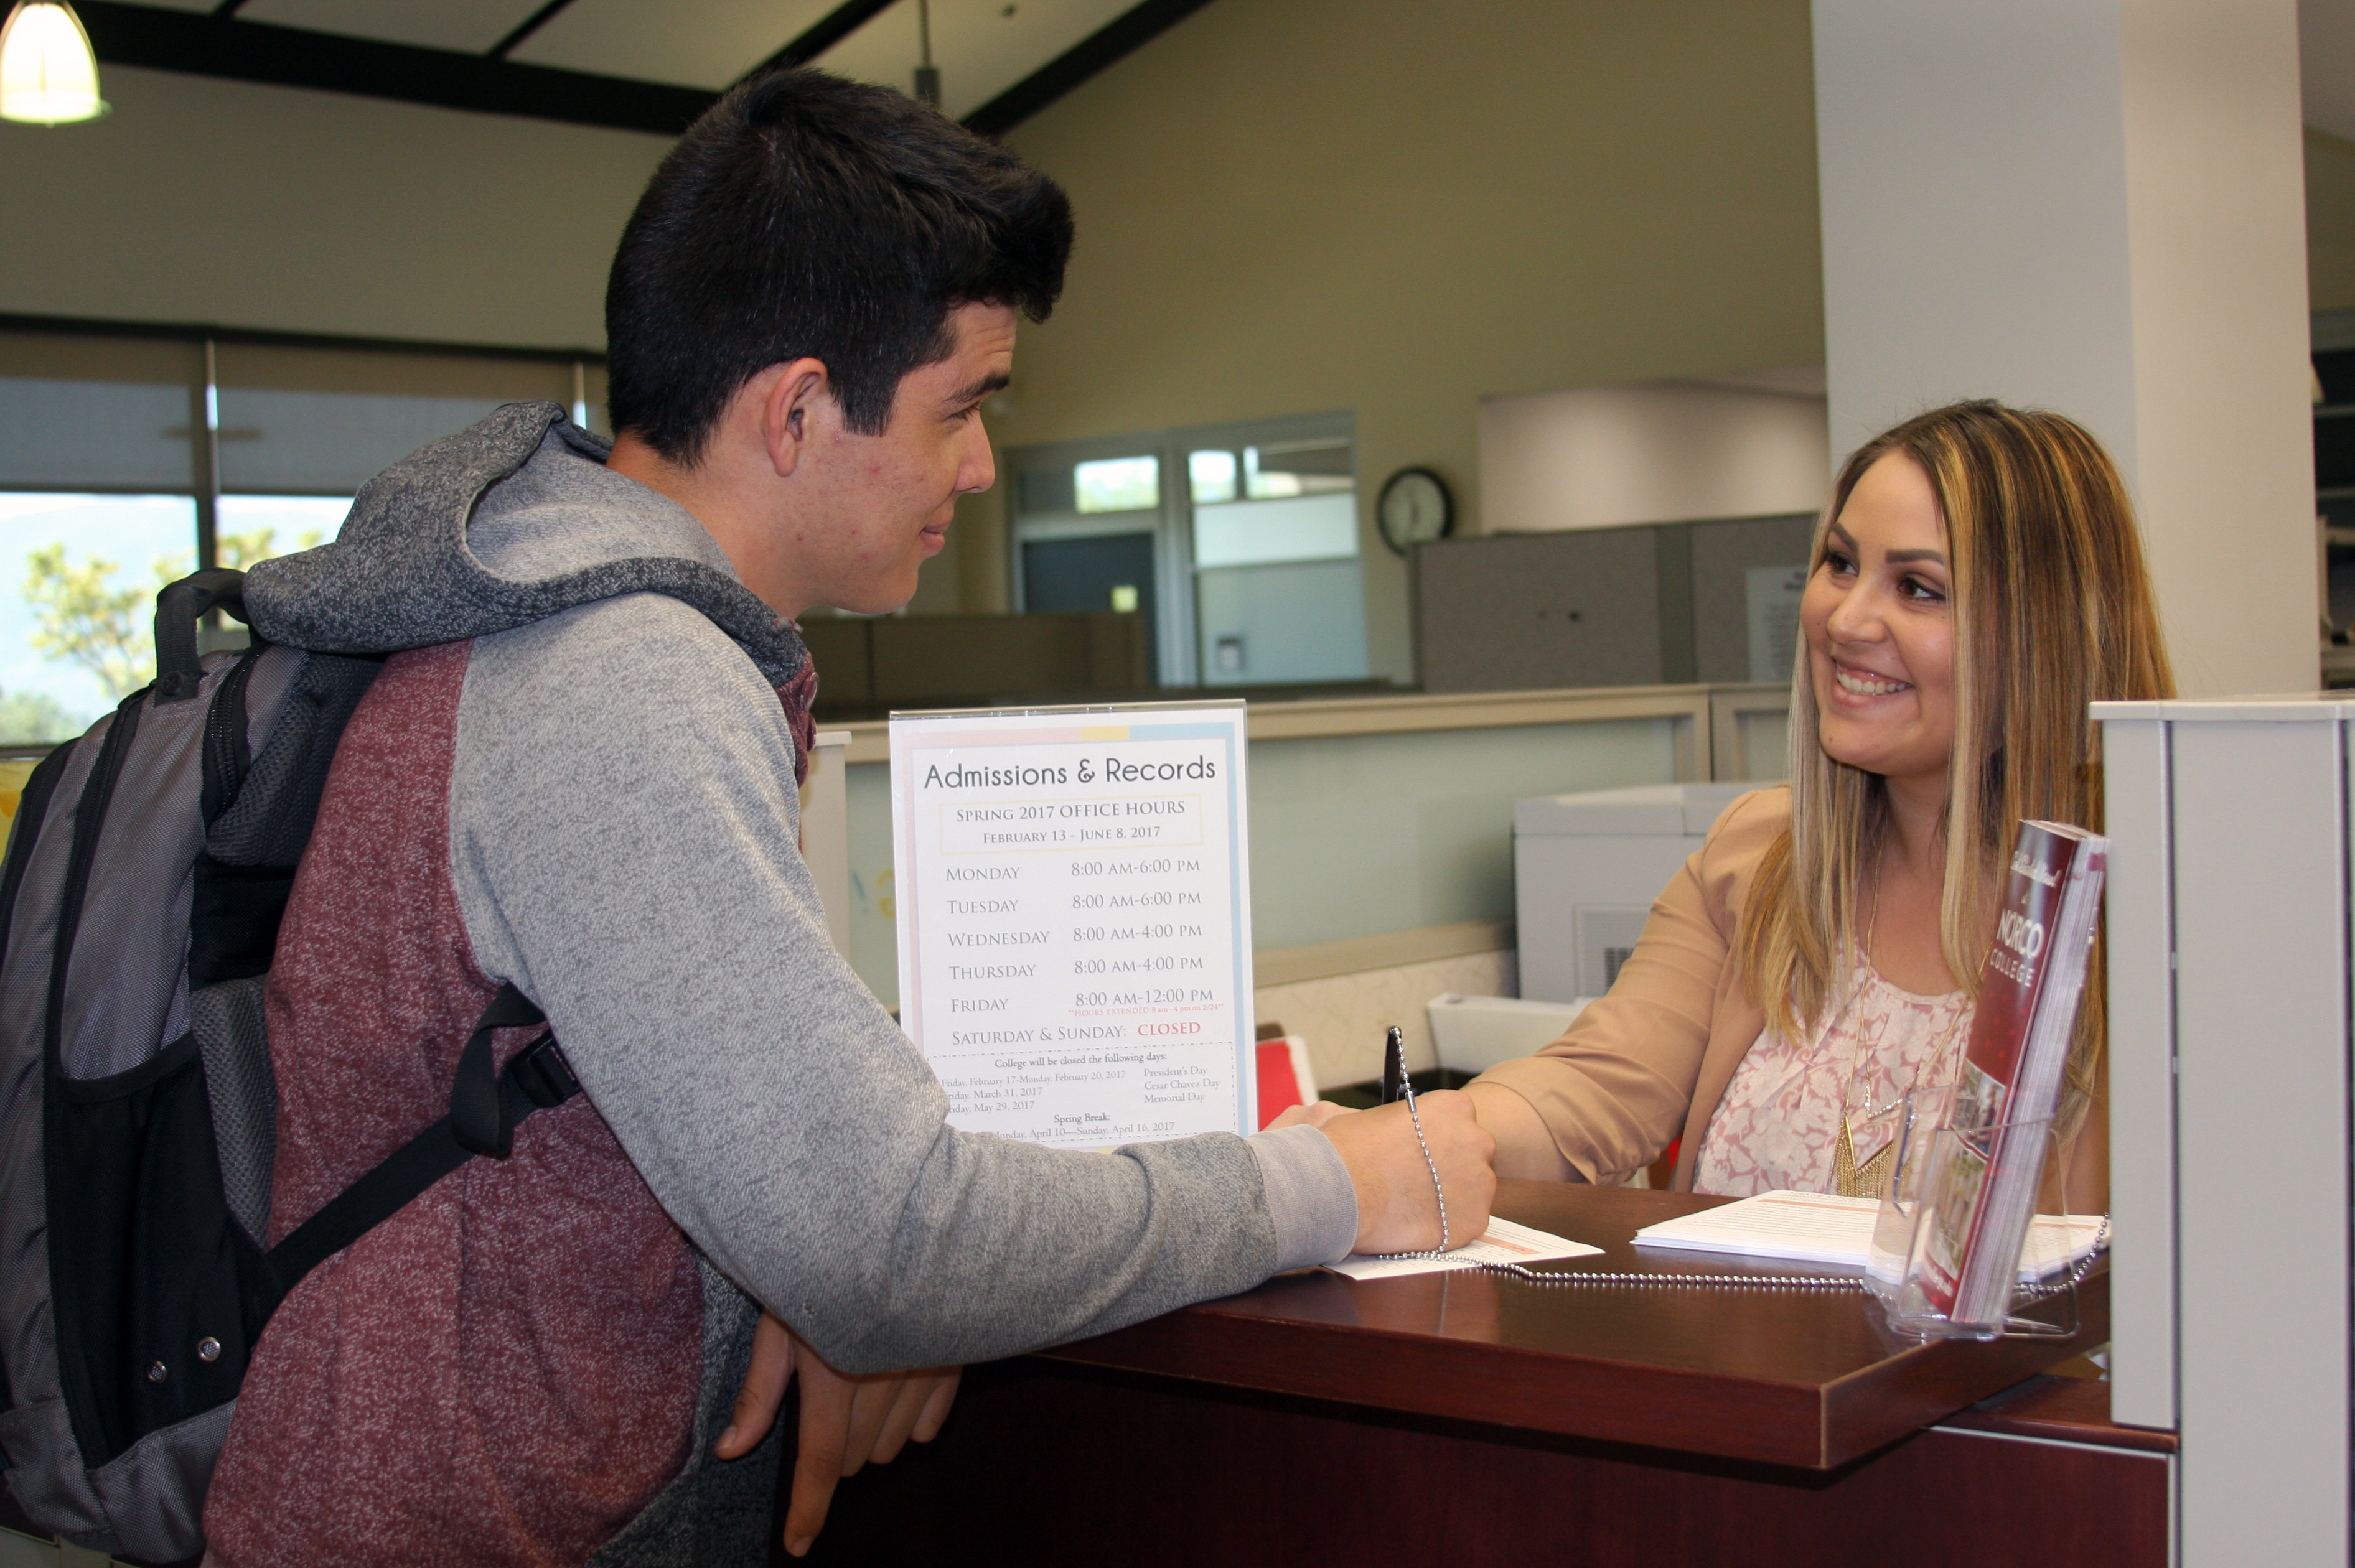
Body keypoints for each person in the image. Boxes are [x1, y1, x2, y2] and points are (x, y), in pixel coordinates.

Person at [202, 70, 1494, 1567]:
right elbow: (885, 1242)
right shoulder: (615, 681)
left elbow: (774, 1182)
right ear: (800, 410)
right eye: (961, 410)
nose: (979, 465)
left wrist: (810, 1275)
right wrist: (1331, 1183)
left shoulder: (561, 623)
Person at [1462, 401, 2173, 1208]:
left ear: (2044, 632)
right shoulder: (1760, 858)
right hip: (1736, 1337)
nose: (1846, 618)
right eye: (1840, 563)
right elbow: (1592, 1091)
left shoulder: (2151, 909)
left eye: (1917, 587)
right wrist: (1411, 1143)